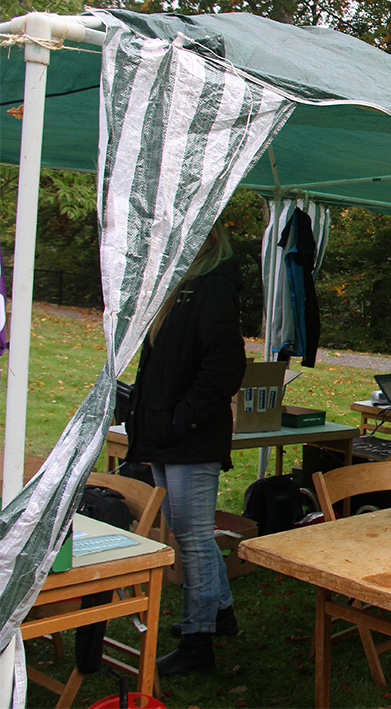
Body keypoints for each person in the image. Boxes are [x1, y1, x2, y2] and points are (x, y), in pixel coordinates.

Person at [125, 228, 246, 677]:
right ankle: (221, 612)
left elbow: (225, 365)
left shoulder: (212, 288)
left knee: (192, 538)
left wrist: (185, 417)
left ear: (208, 240)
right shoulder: (179, 287)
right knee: (186, 531)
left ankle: (199, 642)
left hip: (190, 437)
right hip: (165, 432)